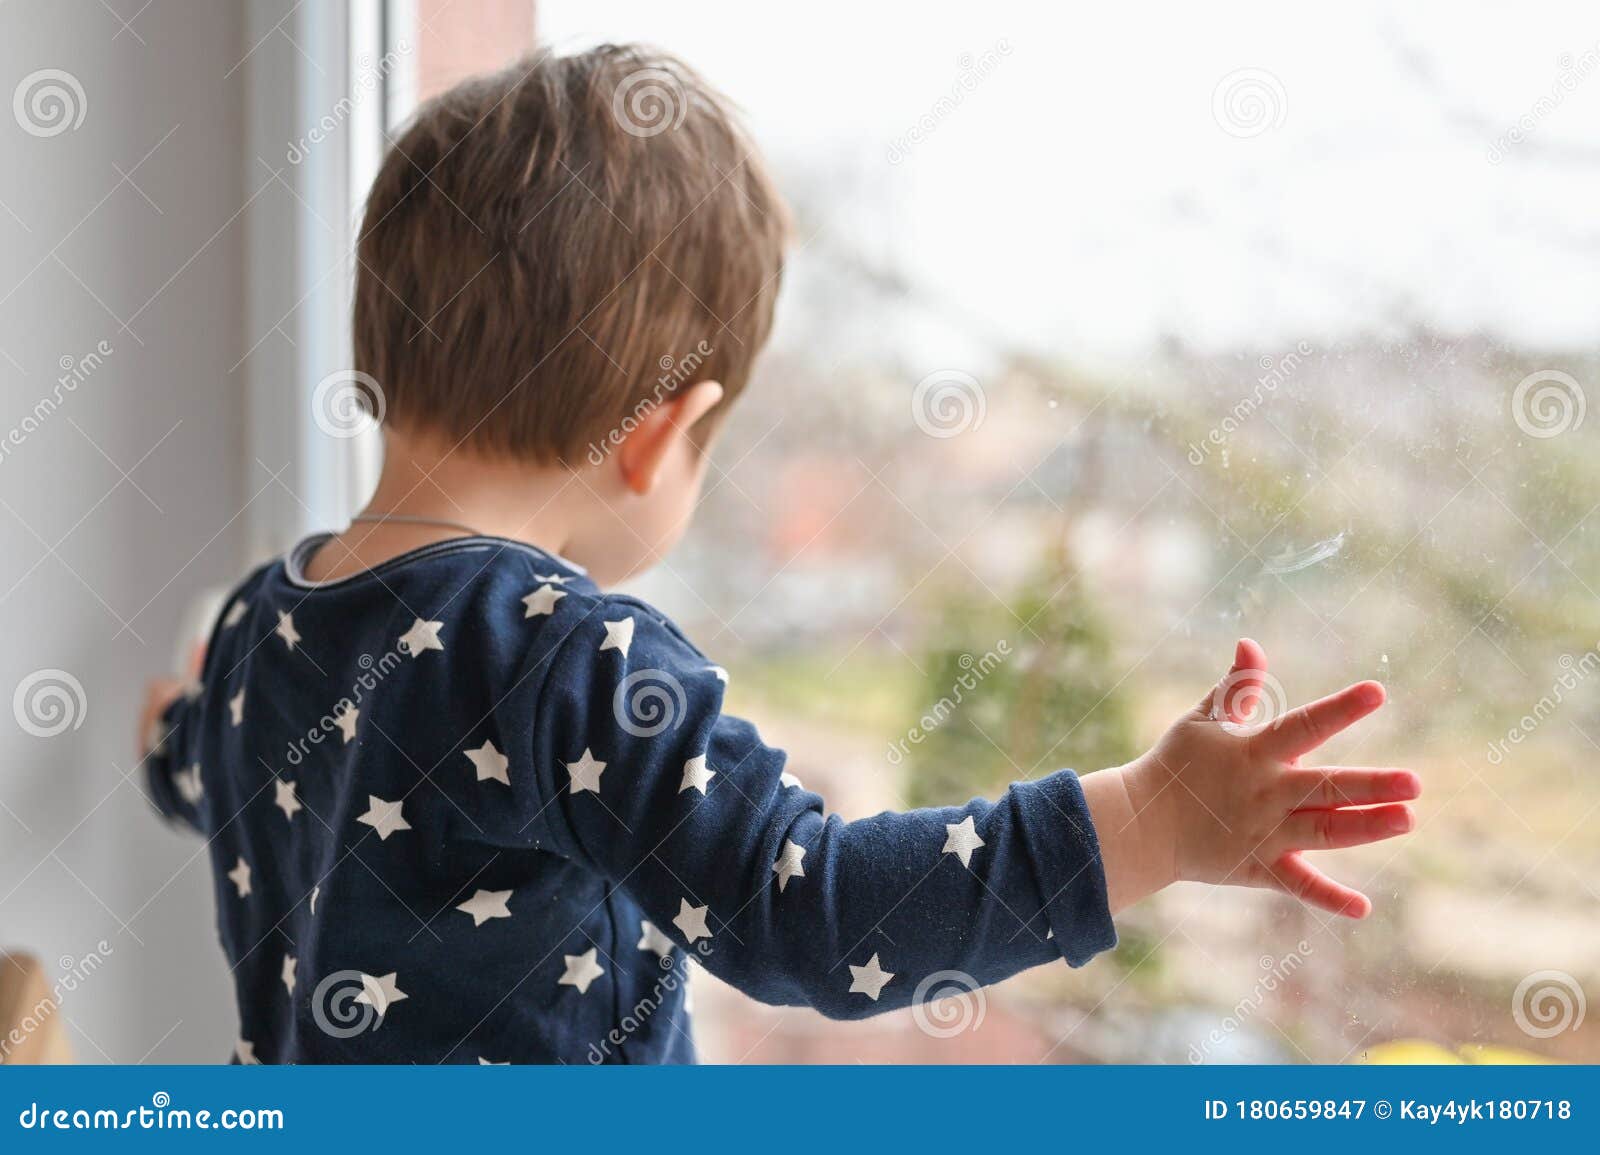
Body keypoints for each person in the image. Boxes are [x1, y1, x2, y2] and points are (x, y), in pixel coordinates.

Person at [140, 45, 1419, 1064]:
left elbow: (209, 769)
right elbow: (811, 917)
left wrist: (165, 734)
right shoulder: (564, 659)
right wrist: (1145, 820)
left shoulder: (270, 619)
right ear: (662, 438)